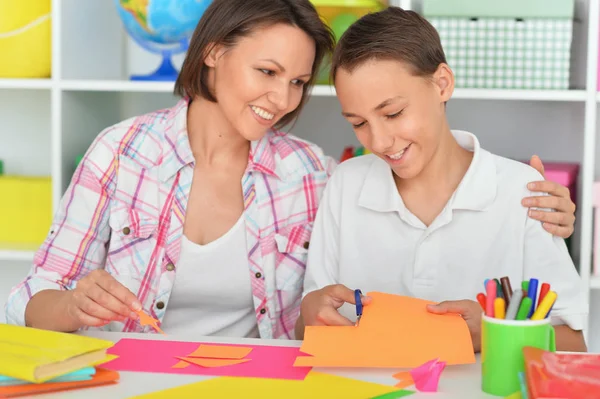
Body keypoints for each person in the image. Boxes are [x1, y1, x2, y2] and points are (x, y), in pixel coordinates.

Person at [5, 1, 577, 340]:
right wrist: (72, 304)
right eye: (268, 71)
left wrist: (530, 199)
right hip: (129, 382)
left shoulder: (310, 174)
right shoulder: (120, 152)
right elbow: (30, 299)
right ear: (213, 52)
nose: (282, 98)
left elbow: (413, 175)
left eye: (299, 82)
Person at [296, 7, 588, 352]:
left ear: (442, 84)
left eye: (393, 113)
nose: (379, 141)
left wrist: (496, 333)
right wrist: (309, 314)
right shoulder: (345, 184)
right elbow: (308, 326)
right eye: (359, 123)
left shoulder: (521, 193)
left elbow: (575, 344)